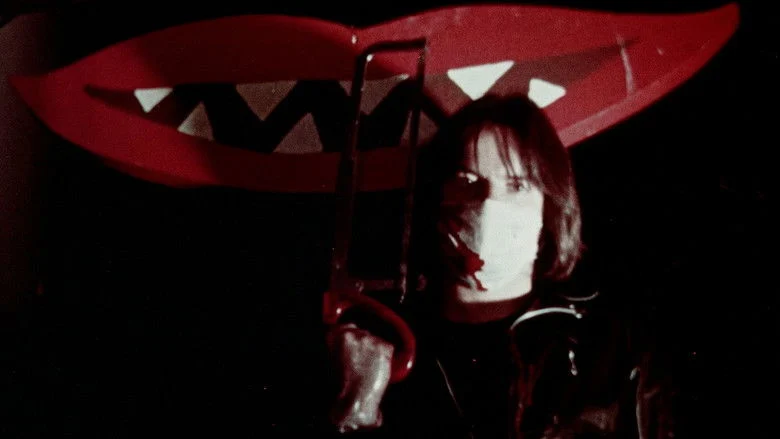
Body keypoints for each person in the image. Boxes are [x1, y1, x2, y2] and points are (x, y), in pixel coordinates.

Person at [325, 94, 678, 439]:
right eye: (466, 181)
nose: (489, 203)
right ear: (435, 196)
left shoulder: (610, 351)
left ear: (549, 206)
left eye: (516, 185)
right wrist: (355, 415)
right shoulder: (378, 350)